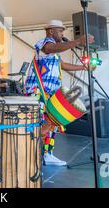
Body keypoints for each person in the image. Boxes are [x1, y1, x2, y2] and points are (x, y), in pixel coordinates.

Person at [25, 19, 95, 166]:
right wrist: (78, 41)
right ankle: (30, 153)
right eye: (60, 30)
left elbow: (62, 65)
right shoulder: (44, 44)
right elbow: (51, 49)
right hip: (38, 91)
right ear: (51, 31)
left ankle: (47, 154)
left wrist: (84, 68)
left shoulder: (56, 51)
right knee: (38, 123)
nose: (63, 33)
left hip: (51, 93)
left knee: (52, 124)